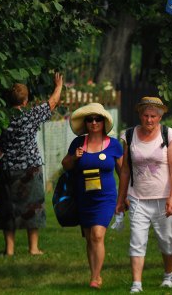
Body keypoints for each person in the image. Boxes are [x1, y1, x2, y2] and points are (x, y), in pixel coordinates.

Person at [116, 97, 172, 293]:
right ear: (140, 115)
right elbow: (125, 170)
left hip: (164, 197)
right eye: (146, 115)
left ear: (159, 117)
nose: (149, 120)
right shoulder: (128, 135)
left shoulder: (168, 134)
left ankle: (169, 274)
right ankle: (136, 283)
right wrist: (121, 199)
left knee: (167, 238)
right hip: (138, 196)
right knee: (136, 239)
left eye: (153, 116)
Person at [0, 72, 63, 256]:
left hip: (8, 167)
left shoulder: (0, 119)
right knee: (33, 206)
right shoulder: (30, 116)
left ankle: (9, 249)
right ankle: (33, 248)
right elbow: (52, 102)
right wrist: (58, 86)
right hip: (30, 167)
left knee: (8, 207)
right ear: (25, 100)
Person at [62, 102, 123, 289]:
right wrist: (74, 157)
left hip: (105, 198)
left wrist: (124, 196)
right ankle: (94, 273)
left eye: (98, 119)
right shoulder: (78, 143)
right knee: (89, 238)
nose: (94, 122)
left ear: (104, 122)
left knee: (97, 235)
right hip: (84, 197)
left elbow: (123, 173)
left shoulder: (114, 145)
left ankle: (95, 278)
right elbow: (65, 164)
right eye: (90, 119)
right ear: (86, 123)